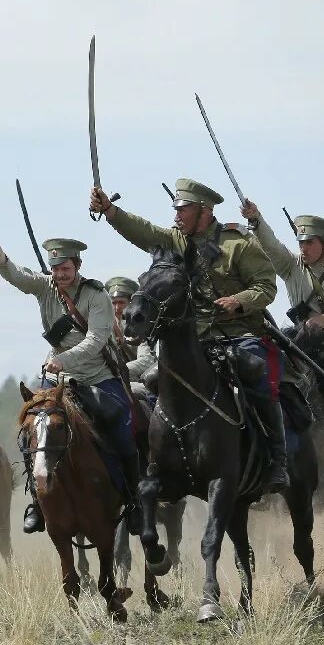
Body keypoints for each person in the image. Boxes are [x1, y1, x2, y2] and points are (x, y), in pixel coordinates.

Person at [90, 179, 287, 493]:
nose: (177, 216)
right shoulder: (176, 241)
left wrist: (238, 302)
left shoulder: (240, 244)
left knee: (258, 376)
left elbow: (267, 287)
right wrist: (111, 211)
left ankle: (278, 460)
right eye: (176, 210)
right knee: (155, 382)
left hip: (240, 334)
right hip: (197, 340)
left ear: (205, 211)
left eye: (184, 209)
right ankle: (160, 460)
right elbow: (143, 231)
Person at [0, 235, 139, 533]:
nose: (59, 274)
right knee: (32, 433)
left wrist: (64, 360)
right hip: (58, 380)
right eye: (55, 268)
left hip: (97, 377)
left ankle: (133, 501)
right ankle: (37, 504)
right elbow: (16, 276)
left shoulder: (97, 296)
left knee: (121, 428)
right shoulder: (45, 287)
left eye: (65, 268)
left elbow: (96, 340)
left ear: (77, 266)